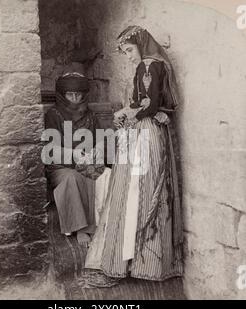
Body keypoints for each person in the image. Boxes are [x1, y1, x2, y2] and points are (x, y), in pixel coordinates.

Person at [84, 26, 183, 283]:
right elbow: (151, 104)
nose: (128, 56)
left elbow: (147, 105)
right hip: (150, 133)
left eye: (129, 50)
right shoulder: (157, 64)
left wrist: (127, 115)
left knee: (134, 192)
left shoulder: (148, 65)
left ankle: (128, 261)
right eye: (125, 52)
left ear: (140, 44)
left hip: (143, 133)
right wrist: (129, 112)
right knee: (146, 190)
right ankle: (147, 263)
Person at [43, 71, 108, 246]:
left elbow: (101, 138)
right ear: (63, 96)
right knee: (72, 178)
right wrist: (73, 154)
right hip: (59, 166)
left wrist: (98, 149)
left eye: (78, 94)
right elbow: (49, 150)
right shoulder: (53, 115)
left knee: (105, 175)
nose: (75, 98)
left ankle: (106, 225)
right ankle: (81, 229)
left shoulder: (90, 115)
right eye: (70, 94)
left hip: (84, 163)